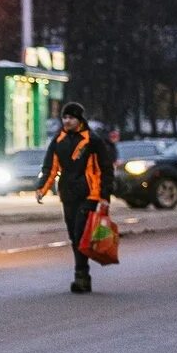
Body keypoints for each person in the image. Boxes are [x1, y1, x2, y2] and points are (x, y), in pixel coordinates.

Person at [35, 102, 115, 294]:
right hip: (68, 194)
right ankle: (82, 276)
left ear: (79, 119)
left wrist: (104, 195)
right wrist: (42, 189)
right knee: (74, 236)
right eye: (65, 117)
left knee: (80, 233)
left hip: (89, 194)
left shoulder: (92, 140)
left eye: (71, 117)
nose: (67, 121)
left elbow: (106, 169)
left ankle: (81, 276)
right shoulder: (59, 140)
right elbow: (50, 167)